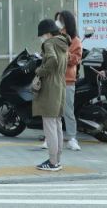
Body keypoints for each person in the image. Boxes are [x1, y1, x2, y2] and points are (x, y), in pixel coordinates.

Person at [34, 19, 68, 172]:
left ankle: (52, 162)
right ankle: (57, 160)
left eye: (42, 35)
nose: (41, 38)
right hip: (61, 84)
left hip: (50, 85)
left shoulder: (49, 43)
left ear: (47, 33)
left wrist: (40, 71)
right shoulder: (62, 42)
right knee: (57, 123)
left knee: (49, 124)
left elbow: (52, 60)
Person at [50, 11, 82, 152]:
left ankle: (72, 138)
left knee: (68, 111)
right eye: (57, 20)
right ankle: (51, 138)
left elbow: (76, 59)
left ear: (67, 22)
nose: (58, 23)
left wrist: (63, 53)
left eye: (60, 20)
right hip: (53, 79)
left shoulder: (75, 40)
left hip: (68, 80)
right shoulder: (53, 37)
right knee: (52, 111)